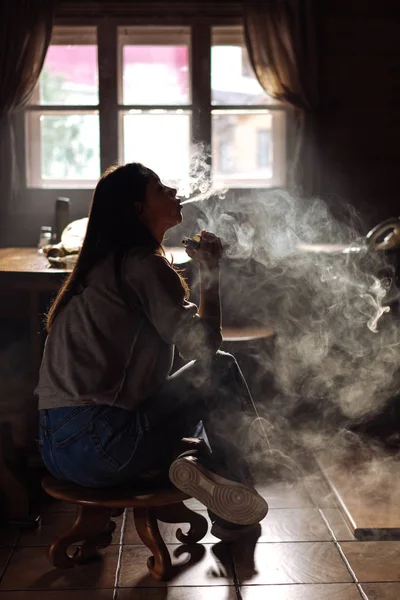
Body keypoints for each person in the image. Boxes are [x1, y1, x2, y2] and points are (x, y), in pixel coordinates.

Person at [36, 162, 268, 541]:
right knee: (220, 368)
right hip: (102, 446)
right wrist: (210, 272)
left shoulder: (99, 268)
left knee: (188, 400)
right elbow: (206, 348)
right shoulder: (143, 266)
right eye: (161, 189)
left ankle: (187, 462)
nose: (174, 192)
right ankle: (234, 510)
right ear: (138, 209)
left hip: (58, 450)